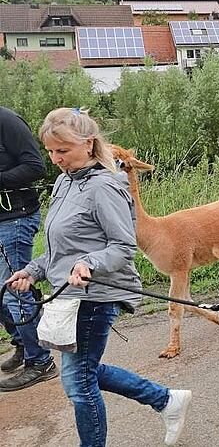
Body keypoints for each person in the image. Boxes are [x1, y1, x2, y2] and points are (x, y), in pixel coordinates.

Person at [5, 108, 191, 446]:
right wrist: (33, 270)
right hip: (69, 296)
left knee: (78, 382)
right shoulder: (64, 182)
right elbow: (62, 247)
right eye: (50, 151)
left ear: (89, 144)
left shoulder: (105, 186)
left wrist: (90, 263)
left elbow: (122, 247)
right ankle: (166, 400)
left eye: (63, 151)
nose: (56, 159)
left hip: (98, 295)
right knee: (84, 373)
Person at [0, 106, 56, 392]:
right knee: (3, 294)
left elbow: (36, 166)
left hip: (15, 219)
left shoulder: (6, 120)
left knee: (15, 291)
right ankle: (24, 343)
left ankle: (41, 361)